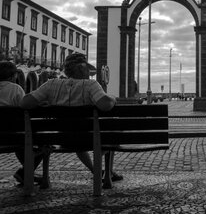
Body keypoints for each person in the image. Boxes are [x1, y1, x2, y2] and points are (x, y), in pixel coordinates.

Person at [20, 53, 123, 183]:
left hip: (62, 139)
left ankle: (96, 170)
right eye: (87, 68)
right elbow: (105, 105)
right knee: (111, 135)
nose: (89, 72)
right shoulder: (91, 85)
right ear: (81, 68)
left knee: (75, 135)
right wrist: (113, 98)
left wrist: (42, 103)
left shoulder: (51, 84)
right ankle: (107, 173)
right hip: (89, 139)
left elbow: (24, 102)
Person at [0, 61, 43, 185]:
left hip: (7, 136)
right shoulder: (15, 89)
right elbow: (25, 107)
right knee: (42, 145)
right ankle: (26, 172)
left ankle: (27, 172)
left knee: (23, 143)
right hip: (13, 136)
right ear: (13, 76)